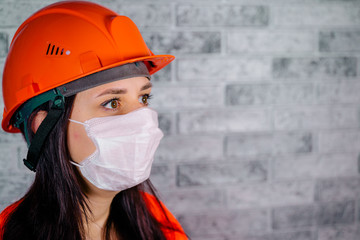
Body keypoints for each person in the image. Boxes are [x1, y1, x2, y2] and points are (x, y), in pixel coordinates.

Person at [0, 1, 187, 239]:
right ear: (43, 126)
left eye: (144, 97)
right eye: (112, 102)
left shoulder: (154, 217)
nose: (141, 122)